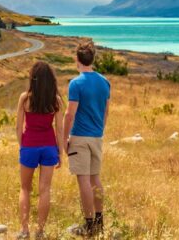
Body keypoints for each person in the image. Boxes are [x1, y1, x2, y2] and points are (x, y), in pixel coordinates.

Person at [63, 41, 111, 236]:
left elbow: (69, 114)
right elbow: (106, 110)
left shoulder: (76, 83)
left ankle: (89, 225)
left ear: (77, 59)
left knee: (83, 180)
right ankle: (99, 222)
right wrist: (100, 129)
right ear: (93, 58)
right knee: (95, 179)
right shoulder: (105, 82)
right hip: (97, 136)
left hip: (80, 137)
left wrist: (64, 137)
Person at [16, 61, 64, 239]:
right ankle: (40, 232)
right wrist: (60, 153)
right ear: (51, 80)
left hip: (29, 146)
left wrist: (23, 146)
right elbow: (59, 129)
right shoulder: (55, 100)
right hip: (49, 147)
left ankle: (24, 230)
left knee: (25, 189)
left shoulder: (25, 98)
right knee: (45, 190)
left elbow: (18, 127)